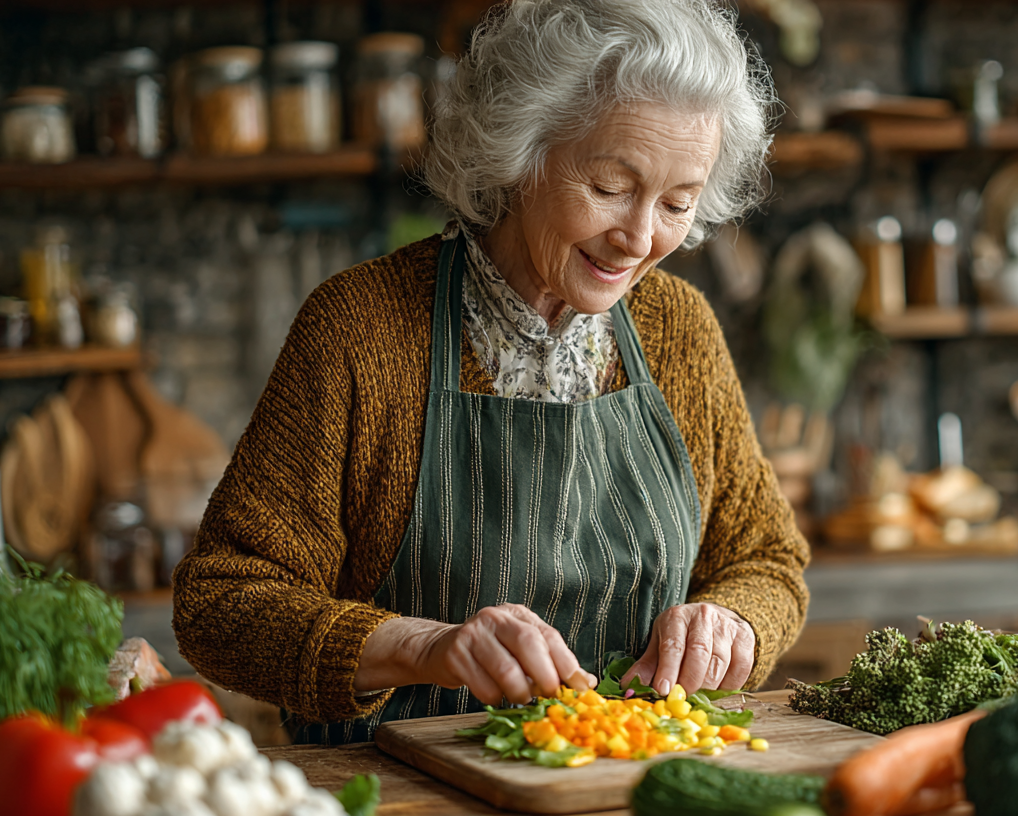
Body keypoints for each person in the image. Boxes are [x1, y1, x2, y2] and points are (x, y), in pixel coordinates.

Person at [172, 0, 809, 744]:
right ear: (520, 152)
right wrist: (424, 648)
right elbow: (220, 602)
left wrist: (731, 622)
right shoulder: (361, 329)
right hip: (398, 794)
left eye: (677, 202)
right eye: (609, 187)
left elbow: (768, 558)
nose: (639, 237)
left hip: (630, 783)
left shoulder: (680, 330)